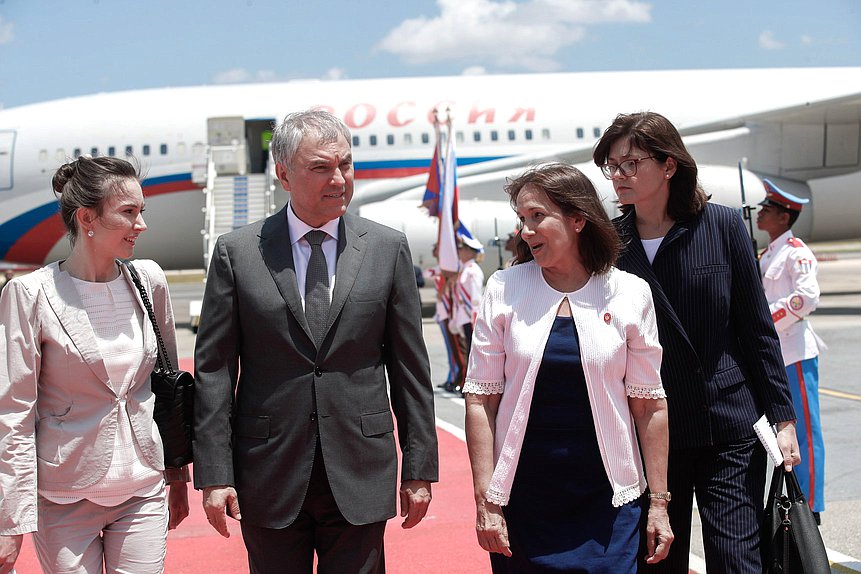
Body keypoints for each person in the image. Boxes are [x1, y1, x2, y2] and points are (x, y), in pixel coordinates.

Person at [193, 109, 439, 573]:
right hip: (268, 471)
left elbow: (410, 368)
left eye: (345, 164)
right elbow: (214, 373)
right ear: (284, 174)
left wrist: (420, 466)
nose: (339, 179)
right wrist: (214, 473)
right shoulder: (238, 252)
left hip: (361, 467)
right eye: (320, 167)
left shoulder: (387, 248)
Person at [593, 112, 800, 573]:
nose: (619, 175)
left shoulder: (722, 227)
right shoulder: (608, 243)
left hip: (726, 423)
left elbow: (757, 330)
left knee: (737, 559)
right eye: (612, 166)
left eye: (631, 163)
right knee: (658, 560)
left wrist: (782, 418)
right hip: (648, 430)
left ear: (669, 165)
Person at [464, 163, 672, 573]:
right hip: (524, 498)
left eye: (538, 216)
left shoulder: (630, 292)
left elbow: (649, 407)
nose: (526, 230)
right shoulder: (503, 288)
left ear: (578, 219)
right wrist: (486, 502)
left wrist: (659, 504)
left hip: (610, 497)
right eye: (522, 219)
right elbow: (480, 401)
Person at [0, 156, 189, 574]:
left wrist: (177, 474)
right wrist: (10, 520)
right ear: (87, 217)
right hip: (64, 497)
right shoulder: (29, 294)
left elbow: (167, 386)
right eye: (128, 212)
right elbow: (14, 413)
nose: (141, 224)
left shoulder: (149, 280)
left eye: (142, 212)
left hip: (143, 489)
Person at [756, 178, 826, 521]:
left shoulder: (796, 252)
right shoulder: (771, 252)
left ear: (784, 217)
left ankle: (809, 508)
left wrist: (768, 319)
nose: (760, 213)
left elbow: (806, 297)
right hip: (775, 353)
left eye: (767, 209)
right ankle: (793, 503)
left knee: (805, 434)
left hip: (795, 352)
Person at [449, 234, 484, 393]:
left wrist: (473, 319)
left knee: (472, 353)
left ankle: (473, 387)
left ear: (471, 252)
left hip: (470, 318)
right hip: (463, 317)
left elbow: (475, 299)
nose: (459, 251)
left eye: (462, 249)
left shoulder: (472, 271)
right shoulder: (465, 270)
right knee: (467, 351)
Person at [425, 243, 461, 390]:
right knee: (449, 348)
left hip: (449, 313)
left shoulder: (451, 270)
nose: (434, 251)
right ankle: (451, 376)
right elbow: (426, 274)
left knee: (455, 348)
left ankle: (455, 377)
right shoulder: (440, 269)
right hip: (442, 314)